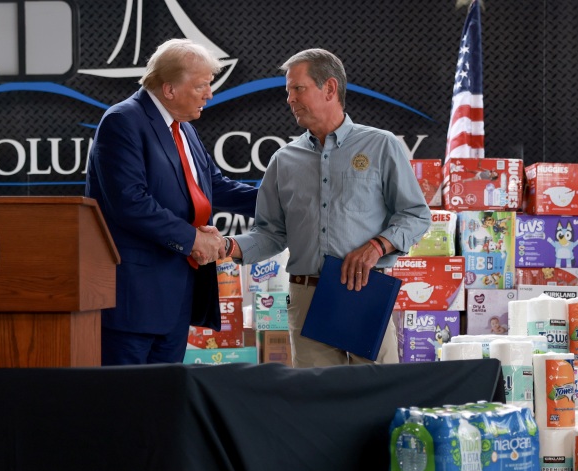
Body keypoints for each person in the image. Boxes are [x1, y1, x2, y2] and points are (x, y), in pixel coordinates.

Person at [222, 48, 431, 367]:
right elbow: (270, 234)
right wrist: (225, 245)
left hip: (363, 291)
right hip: (305, 298)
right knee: (318, 405)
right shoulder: (283, 161)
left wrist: (377, 246)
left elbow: (416, 215)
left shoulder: (381, 145)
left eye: (297, 88)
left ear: (330, 88)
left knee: (378, 396)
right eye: (287, 90)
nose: (289, 99)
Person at [85, 39, 258, 365]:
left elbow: (215, 187)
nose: (210, 94)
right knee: (127, 405)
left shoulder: (184, 128)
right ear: (169, 89)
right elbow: (130, 202)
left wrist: (283, 204)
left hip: (176, 298)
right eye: (202, 86)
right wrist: (193, 239)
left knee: (163, 403)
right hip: (134, 303)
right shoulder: (122, 121)